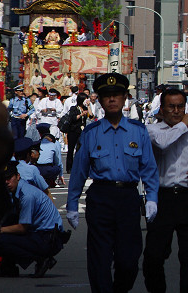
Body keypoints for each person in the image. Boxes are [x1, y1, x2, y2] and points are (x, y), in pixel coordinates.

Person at [66, 72, 160, 293]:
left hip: (128, 198)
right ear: (99, 99)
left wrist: (152, 198)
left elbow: (149, 168)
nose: (112, 99)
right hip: (101, 197)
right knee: (99, 257)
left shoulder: (138, 131)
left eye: (117, 94)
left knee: (129, 260)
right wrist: (71, 204)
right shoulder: (91, 133)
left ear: (125, 97)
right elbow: (79, 171)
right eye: (106, 95)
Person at [142, 88, 188, 293]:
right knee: (153, 256)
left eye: (180, 107)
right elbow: (164, 144)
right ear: (162, 109)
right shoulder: (152, 131)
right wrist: (184, 124)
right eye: (171, 107)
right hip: (163, 198)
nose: (176, 111)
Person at [0, 162, 66, 278]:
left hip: (48, 237)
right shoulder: (17, 191)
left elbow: (23, 228)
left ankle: (42, 259)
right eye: (4, 179)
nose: (6, 182)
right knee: (7, 223)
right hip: (42, 234)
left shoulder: (26, 195)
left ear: (18, 176)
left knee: (2, 239)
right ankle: (7, 266)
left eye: (9, 178)